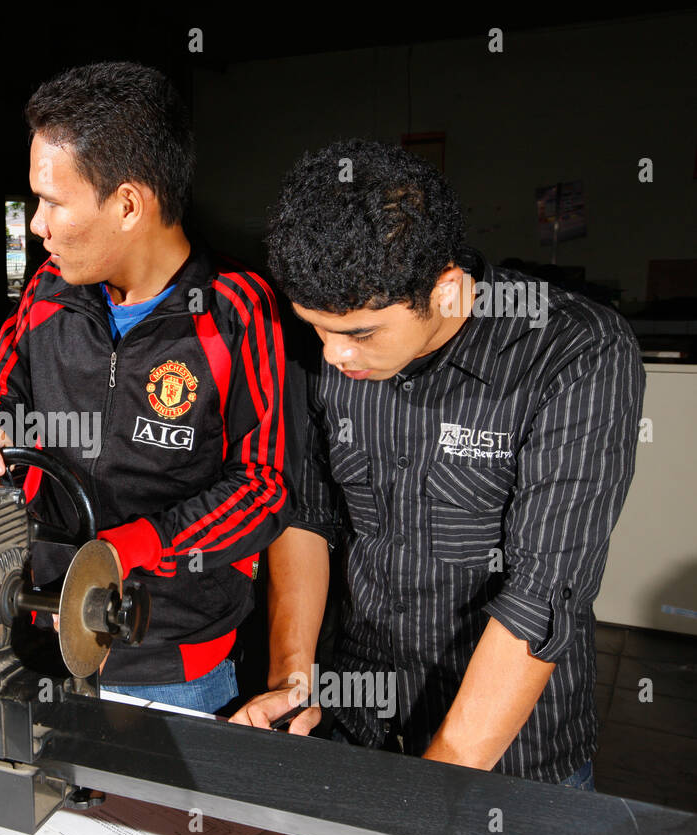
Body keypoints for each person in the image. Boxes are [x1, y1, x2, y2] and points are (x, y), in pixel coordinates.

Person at [231, 139, 644, 789]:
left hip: (511, 760)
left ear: (448, 293)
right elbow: (307, 514)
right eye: (316, 328)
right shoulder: (320, 351)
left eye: (361, 334)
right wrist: (293, 677)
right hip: (359, 721)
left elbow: (544, 595)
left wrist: (428, 799)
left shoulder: (574, 352)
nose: (335, 357)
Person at [0, 62, 290, 714]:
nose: (36, 226)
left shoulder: (239, 314)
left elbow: (264, 489)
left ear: (128, 204)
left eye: (52, 202)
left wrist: (134, 547)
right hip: (40, 630)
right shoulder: (48, 292)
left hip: (172, 666)